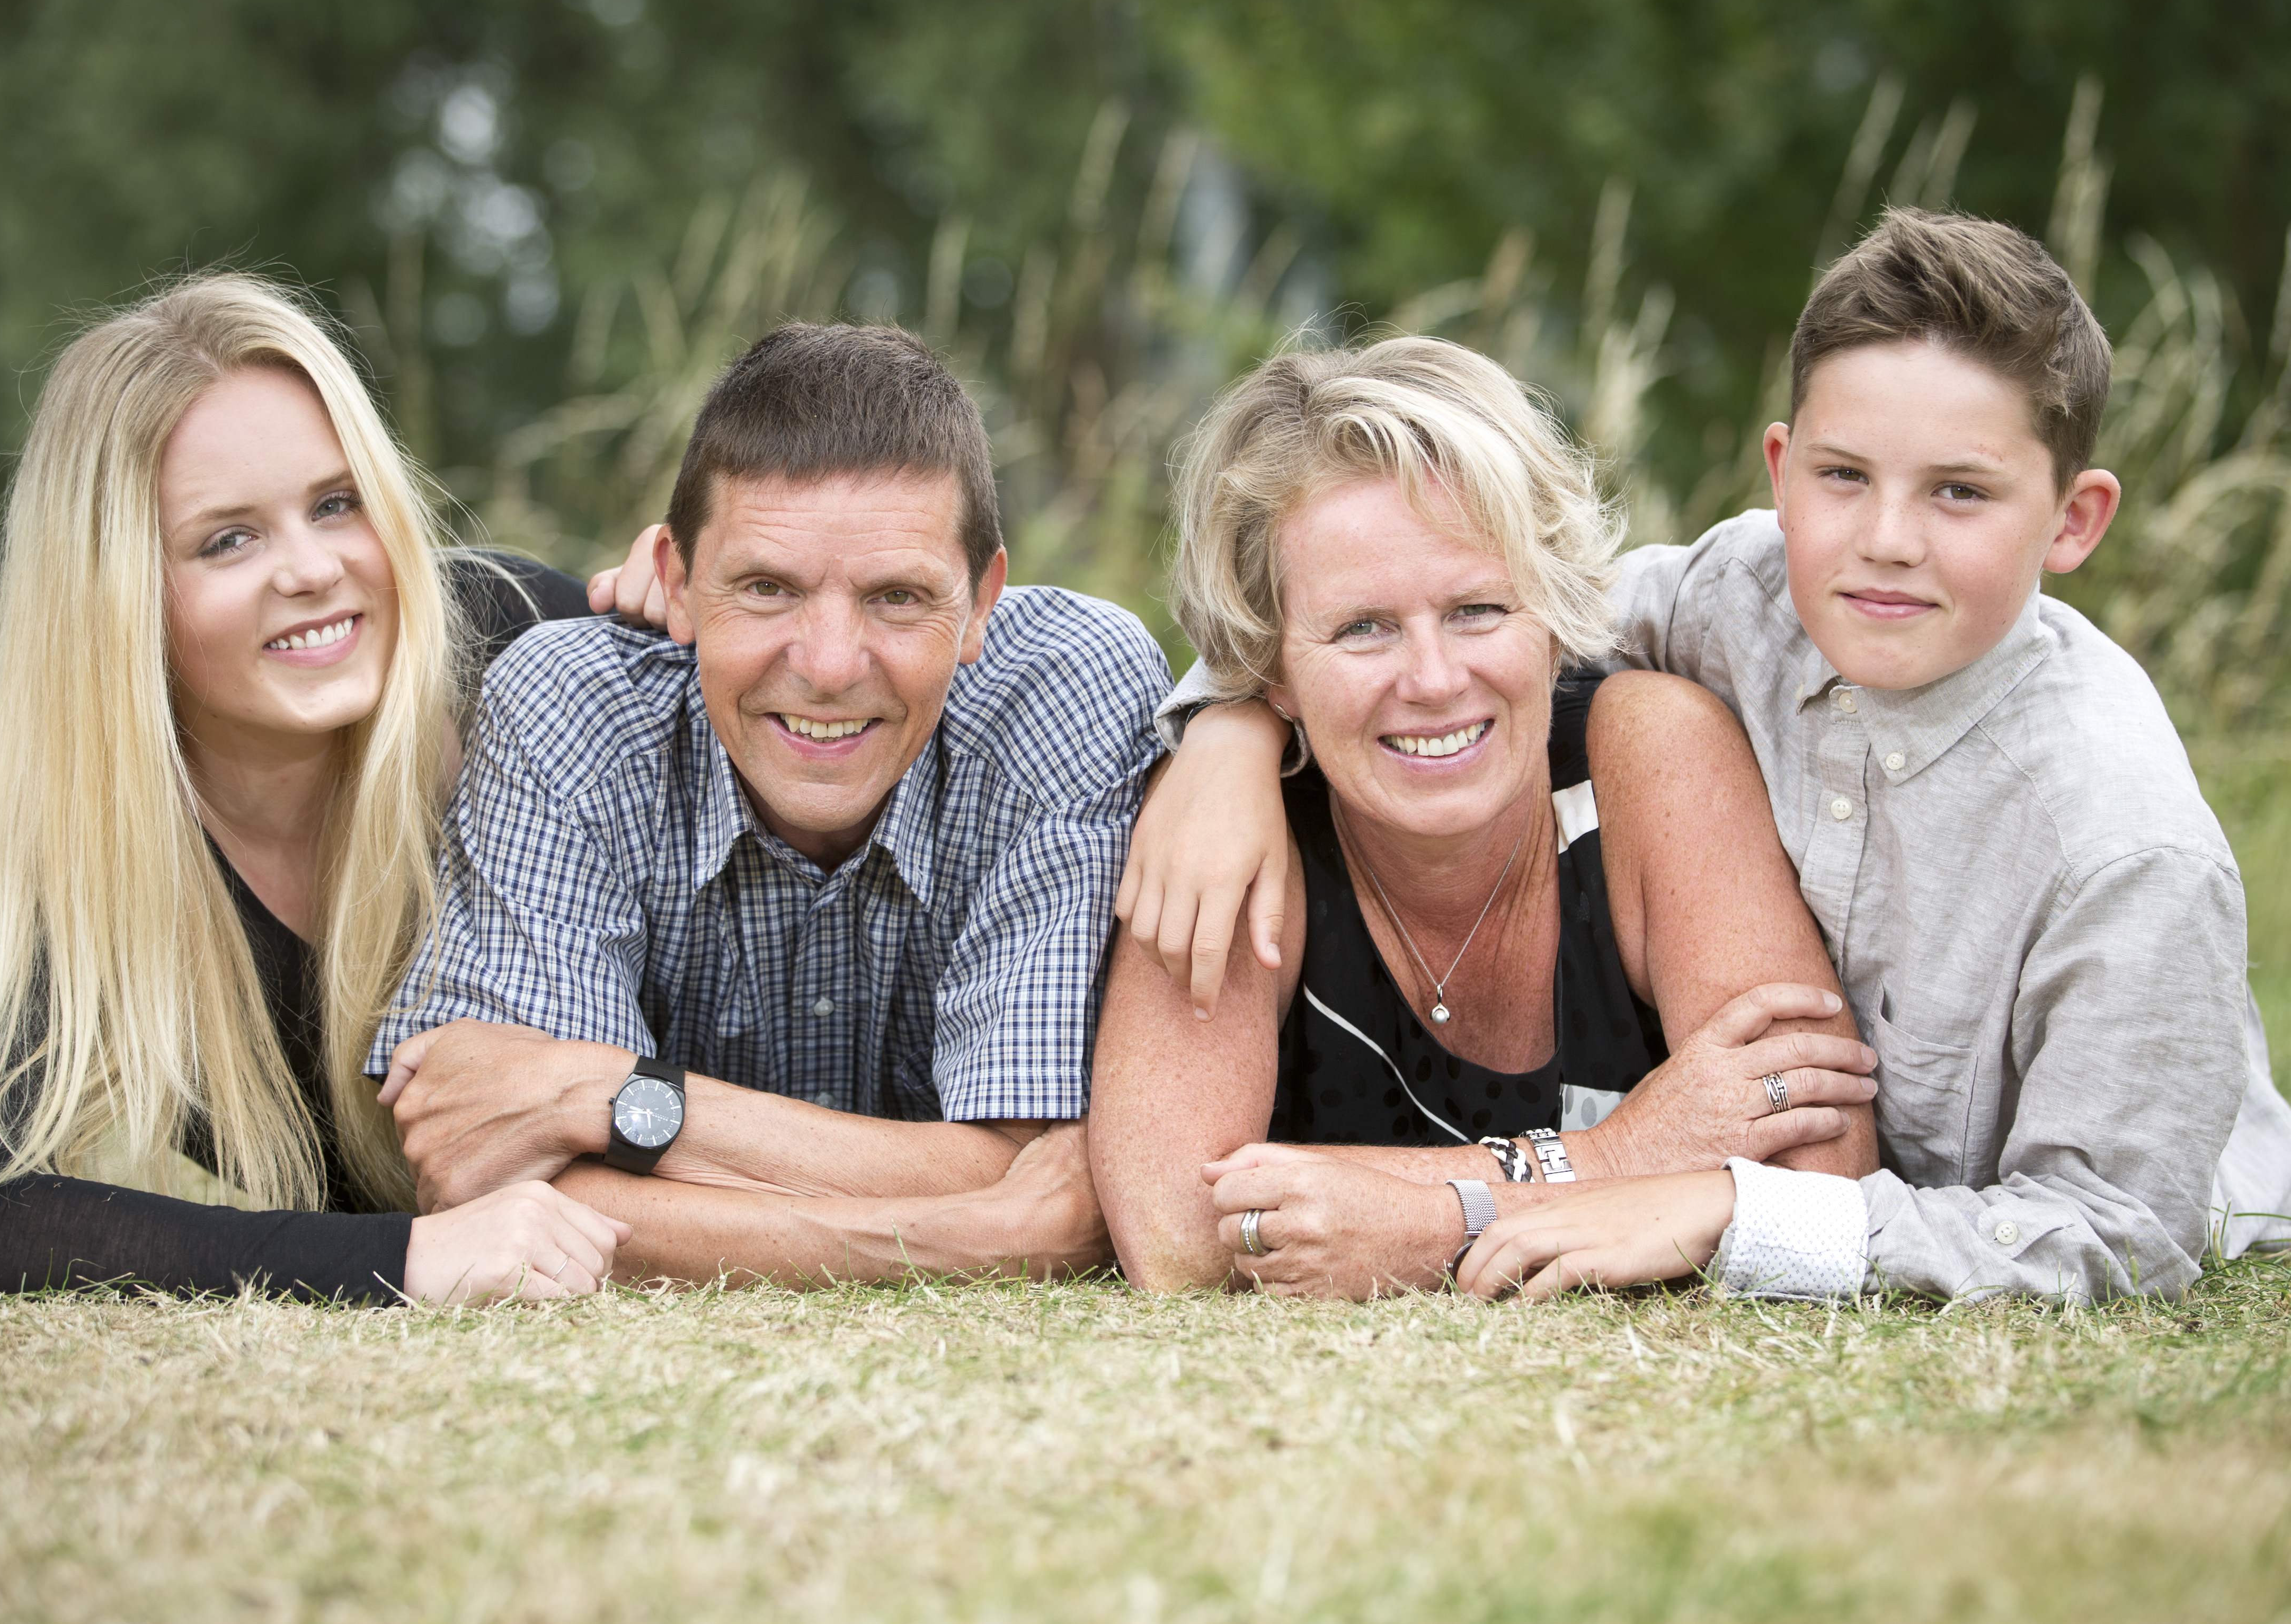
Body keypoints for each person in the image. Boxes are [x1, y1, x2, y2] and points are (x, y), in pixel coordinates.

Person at [1135, 210, 2291, 1302]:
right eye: (1844, 477)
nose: (1887, 541)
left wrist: (1675, 1205)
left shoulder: (2126, 847)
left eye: (1960, 492)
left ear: (2075, 520)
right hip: (1779, 1177)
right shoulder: (1733, 596)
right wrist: (1227, 732)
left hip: (2011, 1219)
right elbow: (1442, 619)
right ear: (1781, 473)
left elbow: (2118, 1230)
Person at [369, 322, 1167, 1286]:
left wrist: (596, 1094)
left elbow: (1029, 1158)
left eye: (898, 598)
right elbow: (499, 1177)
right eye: (767, 588)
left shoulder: (1065, 686)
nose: (830, 665)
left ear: (983, 598)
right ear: (677, 580)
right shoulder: (569, 701)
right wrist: (965, 1238)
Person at [1086, 335, 1884, 1297]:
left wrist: (1419, 1222)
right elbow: (1178, 1238)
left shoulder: (1648, 755)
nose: (1432, 679)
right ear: (1271, 671)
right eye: (1362, 628)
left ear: (1550, 613)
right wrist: (1623, 1154)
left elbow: (1822, 1168)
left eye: (1477, 610)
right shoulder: (1234, 827)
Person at [0, 273, 633, 1307]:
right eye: (228, 539)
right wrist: (402, 1259)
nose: (310, 569)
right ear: (118, 599)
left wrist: (697, 616)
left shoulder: (518, 640)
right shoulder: (96, 846)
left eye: (337, 504)